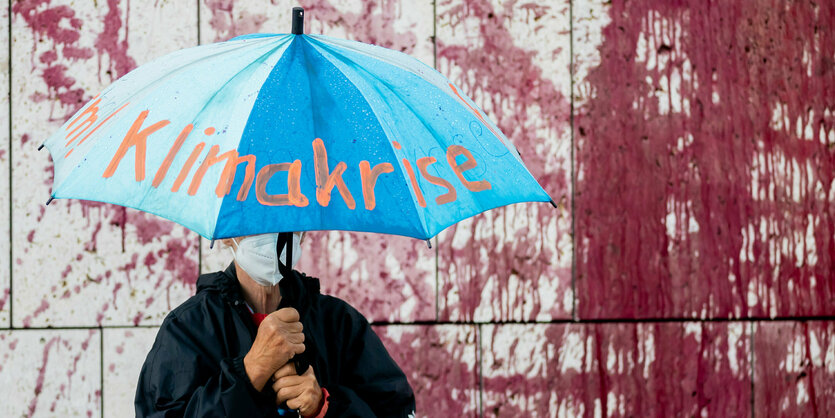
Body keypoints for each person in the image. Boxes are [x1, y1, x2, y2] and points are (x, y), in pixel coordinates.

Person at [135, 232, 416, 417]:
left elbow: (395, 410)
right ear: (225, 236)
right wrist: (248, 374)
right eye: (252, 221)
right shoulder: (187, 331)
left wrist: (323, 406)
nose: (270, 232)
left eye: (286, 215)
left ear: (303, 231)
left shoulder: (339, 324)